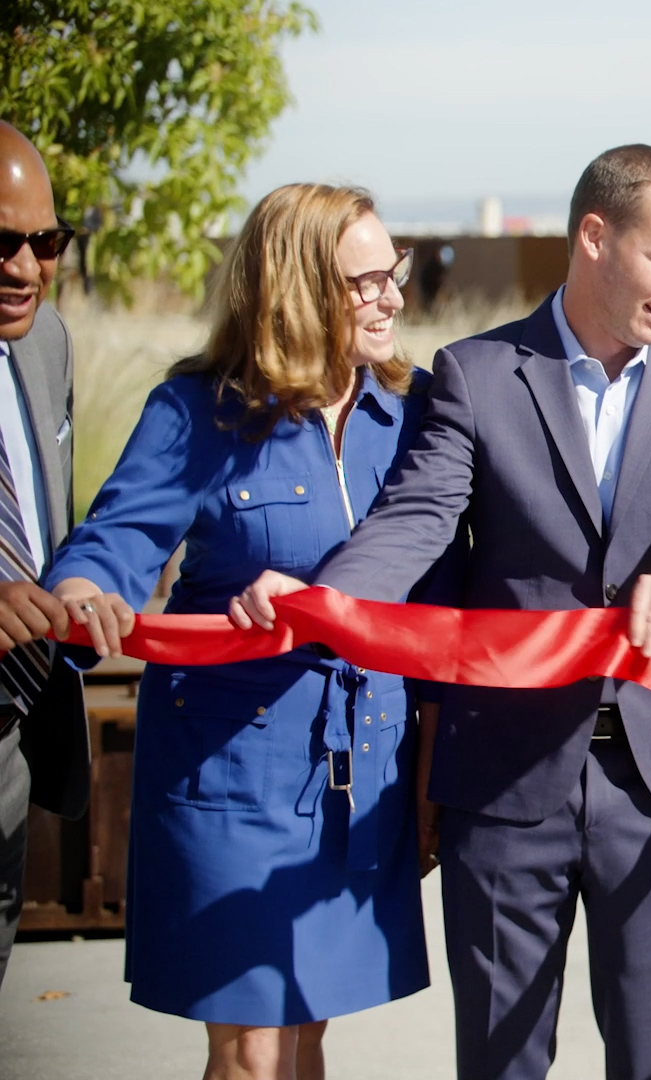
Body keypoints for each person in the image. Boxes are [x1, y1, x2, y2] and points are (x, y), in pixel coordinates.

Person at [234, 144, 651, 1080]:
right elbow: (416, 521)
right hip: (508, 785)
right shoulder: (475, 374)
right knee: (500, 1064)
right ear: (595, 238)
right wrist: (320, 603)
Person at [45, 182, 433, 1079]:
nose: (392, 297)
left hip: (360, 772)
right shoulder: (197, 412)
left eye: (394, 272)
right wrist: (84, 588)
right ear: (297, 289)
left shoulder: (410, 415)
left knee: (303, 1036)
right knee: (252, 1047)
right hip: (232, 770)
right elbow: (114, 541)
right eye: (364, 281)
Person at [0, 121, 89, 992]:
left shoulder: (47, 340)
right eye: (1, 241)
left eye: (45, 242)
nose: (24, 267)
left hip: (11, 740)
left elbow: (50, 521)